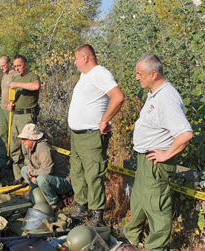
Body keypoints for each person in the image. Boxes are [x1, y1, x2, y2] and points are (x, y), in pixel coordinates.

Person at [123, 54, 193, 250]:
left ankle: (157, 247)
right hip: (145, 160)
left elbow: (185, 134)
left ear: (154, 74)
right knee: (139, 199)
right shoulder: (155, 93)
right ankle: (131, 238)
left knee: (156, 207)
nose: (137, 78)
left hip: (156, 162)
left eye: (140, 74)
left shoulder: (167, 98)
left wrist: (165, 154)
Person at [68, 44, 125, 226]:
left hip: (92, 135)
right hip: (77, 136)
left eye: (76, 58)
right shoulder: (85, 76)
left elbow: (118, 97)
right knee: (78, 173)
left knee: (93, 175)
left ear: (85, 58)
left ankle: (97, 216)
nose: (75, 62)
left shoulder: (100, 73)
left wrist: (104, 120)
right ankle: (81, 208)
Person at [18, 123, 72, 210]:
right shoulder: (30, 147)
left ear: (32, 139)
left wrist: (32, 173)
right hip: (46, 176)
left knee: (41, 179)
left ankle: (56, 203)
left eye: (24, 139)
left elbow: (47, 170)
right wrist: (31, 172)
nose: (22, 141)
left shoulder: (43, 148)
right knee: (24, 170)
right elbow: (28, 160)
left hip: (61, 180)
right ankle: (42, 193)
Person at [8, 55, 41, 184]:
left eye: (19, 65)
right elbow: (10, 98)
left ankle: (30, 177)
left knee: (26, 148)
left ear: (25, 65)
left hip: (27, 116)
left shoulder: (32, 76)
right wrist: (9, 105)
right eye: (15, 66)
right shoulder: (15, 77)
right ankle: (18, 177)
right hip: (15, 115)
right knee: (15, 148)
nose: (17, 68)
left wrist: (17, 84)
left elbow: (36, 86)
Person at [0, 55, 18, 147]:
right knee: (3, 133)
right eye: (0, 66)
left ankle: (13, 155)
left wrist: (11, 103)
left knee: (12, 135)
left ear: (9, 64)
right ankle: (4, 154)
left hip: (11, 110)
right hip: (2, 108)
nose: (1, 68)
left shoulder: (15, 75)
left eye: (3, 65)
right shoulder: (4, 76)